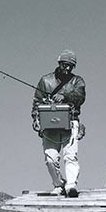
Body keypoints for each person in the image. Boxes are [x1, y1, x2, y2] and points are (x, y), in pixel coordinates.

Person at [31, 49, 86, 197]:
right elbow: (37, 101)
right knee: (50, 158)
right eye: (65, 64)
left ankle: (71, 185)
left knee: (70, 156)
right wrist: (36, 119)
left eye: (70, 66)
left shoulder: (77, 81)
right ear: (59, 63)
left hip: (70, 122)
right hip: (49, 124)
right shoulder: (45, 81)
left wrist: (65, 95)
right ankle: (58, 184)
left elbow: (80, 97)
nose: (67, 68)